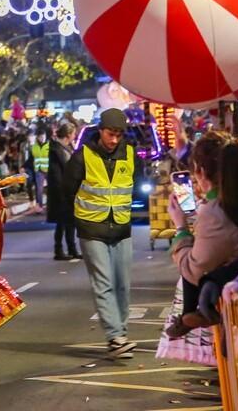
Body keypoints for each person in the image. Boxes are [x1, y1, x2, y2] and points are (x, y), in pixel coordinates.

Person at [65, 108, 137, 357]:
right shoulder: (82, 156)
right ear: (100, 131)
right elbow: (68, 190)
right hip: (91, 228)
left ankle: (121, 333)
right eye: (110, 134)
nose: (114, 140)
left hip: (121, 228)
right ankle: (115, 336)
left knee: (122, 285)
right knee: (104, 283)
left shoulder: (130, 154)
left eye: (118, 135)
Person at [166, 132, 238, 338]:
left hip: (234, 300)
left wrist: (181, 228)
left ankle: (189, 313)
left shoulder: (215, 213)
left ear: (201, 171)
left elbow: (194, 268)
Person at [46, 121, 80, 261]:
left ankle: (71, 249)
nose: (74, 137)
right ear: (68, 134)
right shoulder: (57, 150)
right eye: (73, 134)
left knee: (69, 222)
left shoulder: (66, 148)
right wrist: (62, 191)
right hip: (61, 192)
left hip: (68, 190)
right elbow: (56, 174)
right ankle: (59, 250)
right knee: (62, 223)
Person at [30, 126, 50, 211]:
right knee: (39, 190)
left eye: (43, 136)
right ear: (37, 137)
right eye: (40, 136)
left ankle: (50, 206)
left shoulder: (49, 146)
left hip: (49, 170)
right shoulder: (34, 147)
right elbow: (31, 158)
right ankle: (40, 206)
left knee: (50, 189)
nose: (42, 138)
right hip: (39, 170)